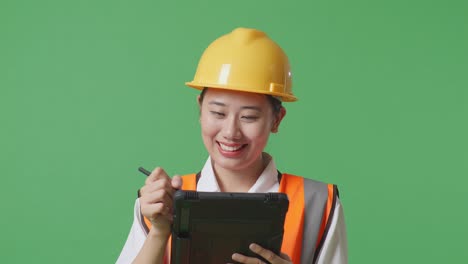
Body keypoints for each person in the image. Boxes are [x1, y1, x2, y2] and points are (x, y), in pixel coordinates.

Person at [117, 27, 348, 264]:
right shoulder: (160, 202)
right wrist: (158, 232)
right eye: (218, 112)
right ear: (200, 109)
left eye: (249, 117)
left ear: (277, 120)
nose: (230, 132)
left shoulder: (318, 202)